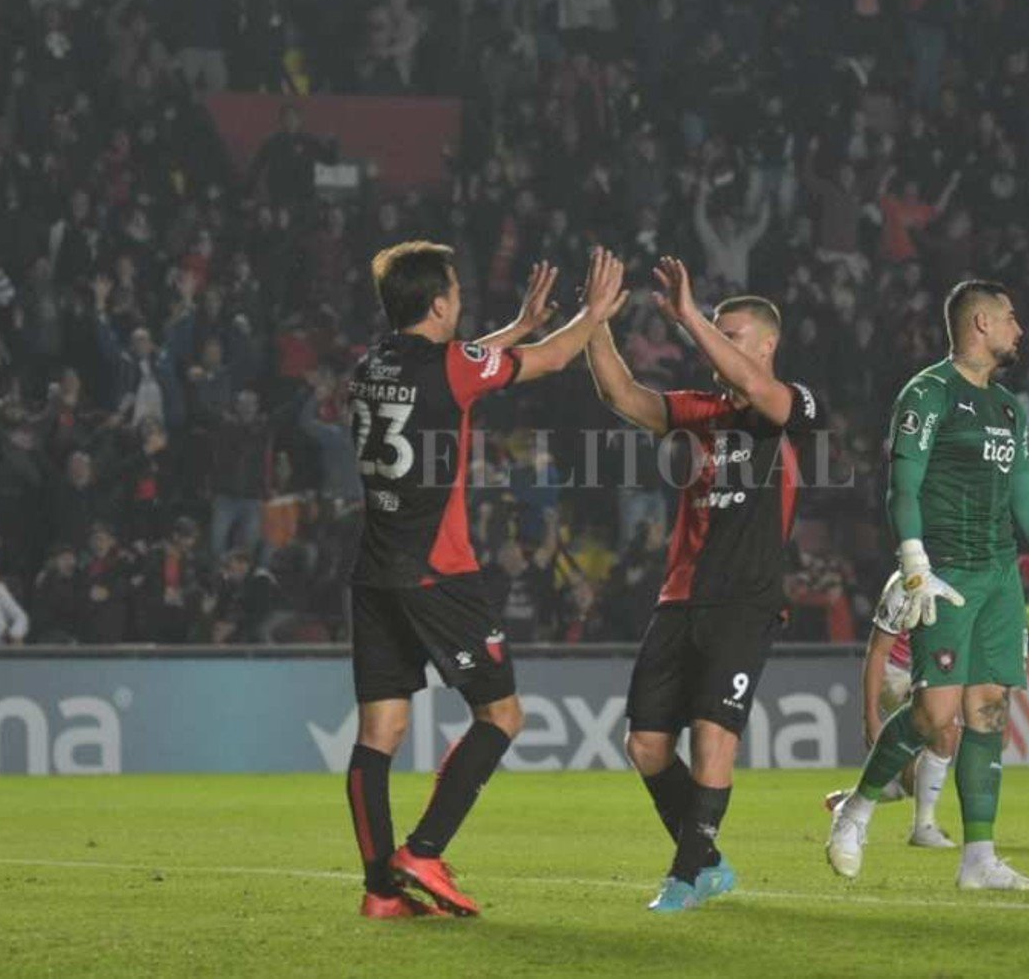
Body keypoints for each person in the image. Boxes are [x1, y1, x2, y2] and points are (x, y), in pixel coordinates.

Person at [343, 243, 626, 921]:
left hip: (375, 571)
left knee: (380, 729)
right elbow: (551, 360)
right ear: (439, 302)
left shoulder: (368, 365)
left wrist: (521, 325)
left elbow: (458, 365)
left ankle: (380, 892)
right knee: (500, 715)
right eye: (456, 291)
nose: (461, 301)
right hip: (438, 571)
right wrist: (592, 313)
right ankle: (425, 849)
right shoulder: (450, 365)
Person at [826, 279, 1029, 892]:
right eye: (1010, 319)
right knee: (933, 713)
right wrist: (914, 559)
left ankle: (979, 858)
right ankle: (857, 809)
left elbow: (1025, 498)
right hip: (943, 573)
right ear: (980, 324)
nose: (1018, 331)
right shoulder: (928, 393)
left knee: (988, 708)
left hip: (1000, 575)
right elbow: (903, 486)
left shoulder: (1009, 407)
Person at [585, 256, 827, 913]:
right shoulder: (700, 412)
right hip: (679, 597)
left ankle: (686, 874)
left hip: (745, 599)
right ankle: (709, 861)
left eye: (733, 333)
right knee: (644, 745)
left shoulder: (789, 407)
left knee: (712, 735)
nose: (717, 346)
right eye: (713, 332)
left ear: (767, 345)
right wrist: (594, 323)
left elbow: (762, 389)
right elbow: (622, 396)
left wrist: (689, 314)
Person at [821, 585, 960, 850]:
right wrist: (870, 715)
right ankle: (923, 827)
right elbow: (877, 651)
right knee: (944, 729)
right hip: (897, 673)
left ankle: (852, 800)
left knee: (914, 778)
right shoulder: (908, 584)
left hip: (929, 672)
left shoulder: (960, 584)